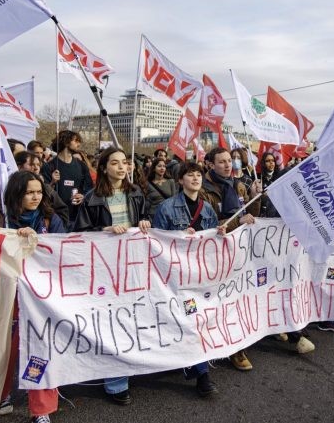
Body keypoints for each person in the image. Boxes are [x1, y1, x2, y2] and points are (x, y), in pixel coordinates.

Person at [71, 147, 151, 405]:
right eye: (114, 163)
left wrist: (145, 222)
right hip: (105, 268)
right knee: (111, 320)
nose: (121, 167)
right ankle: (115, 381)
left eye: (124, 162)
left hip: (133, 264)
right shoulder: (92, 198)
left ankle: (131, 366)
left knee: (132, 317)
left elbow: (145, 218)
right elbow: (80, 233)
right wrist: (104, 230)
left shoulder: (137, 193)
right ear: (104, 167)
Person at [0, 170, 66, 423]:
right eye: (29, 193)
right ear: (16, 194)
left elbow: (61, 251)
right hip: (9, 296)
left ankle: (41, 408)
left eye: (38, 192)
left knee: (41, 348)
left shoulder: (49, 220)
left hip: (41, 298)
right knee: (4, 348)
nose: (35, 197)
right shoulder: (1, 222)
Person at [152, 161, 221, 397]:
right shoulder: (166, 208)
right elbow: (156, 242)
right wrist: (179, 237)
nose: (195, 178)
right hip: (176, 279)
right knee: (190, 320)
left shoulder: (208, 209)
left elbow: (213, 242)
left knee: (197, 320)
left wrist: (221, 232)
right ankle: (201, 374)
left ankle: (192, 363)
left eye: (198, 175)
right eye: (189, 175)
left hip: (200, 277)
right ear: (180, 181)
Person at [201, 147, 261, 370]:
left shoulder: (239, 185)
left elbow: (250, 214)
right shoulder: (203, 189)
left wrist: (254, 197)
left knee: (234, 299)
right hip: (212, 255)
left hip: (236, 252)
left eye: (230, 161)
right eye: (223, 161)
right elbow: (211, 224)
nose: (228, 165)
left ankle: (236, 349)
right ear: (210, 164)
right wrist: (238, 221)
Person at [41, 130, 92, 224]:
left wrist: (83, 196)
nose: (79, 144)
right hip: (56, 218)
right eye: (76, 140)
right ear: (66, 142)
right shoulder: (49, 166)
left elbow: (90, 189)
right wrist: (52, 182)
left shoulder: (82, 166)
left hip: (78, 218)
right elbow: (43, 193)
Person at [15, 151, 69, 224]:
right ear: (19, 166)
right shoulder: (8, 186)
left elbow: (62, 210)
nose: (36, 168)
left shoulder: (47, 189)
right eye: (31, 164)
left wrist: (54, 228)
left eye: (38, 165)